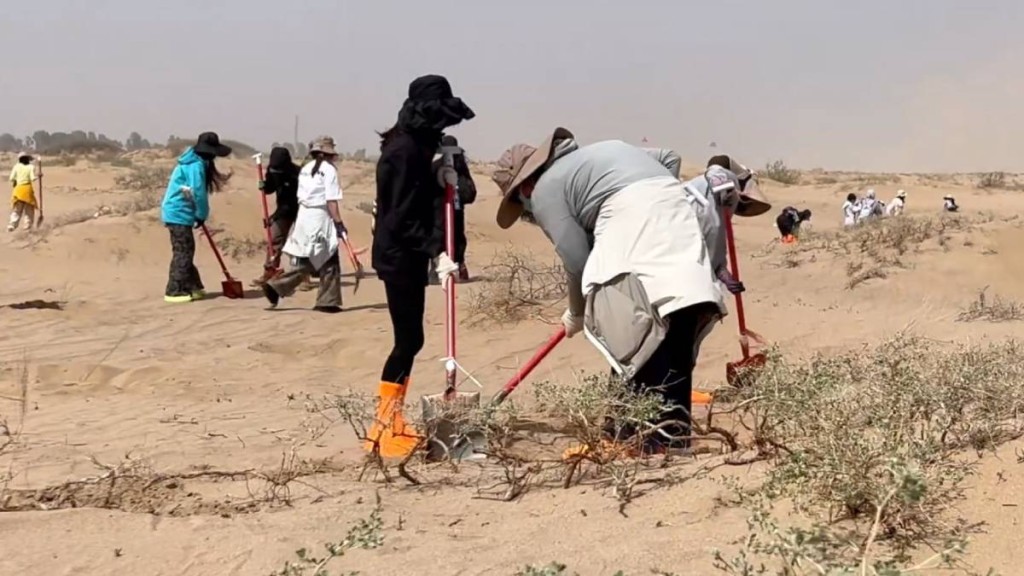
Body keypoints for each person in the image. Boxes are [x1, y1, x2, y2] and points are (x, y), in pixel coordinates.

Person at [492, 129, 770, 454]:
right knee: (679, 320)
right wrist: (655, 203)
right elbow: (669, 158)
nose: (526, 208)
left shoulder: (544, 190)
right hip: (680, 224)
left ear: (525, 185)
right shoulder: (608, 150)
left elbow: (575, 258)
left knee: (632, 337)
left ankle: (636, 442)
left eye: (519, 200)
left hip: (634, 239)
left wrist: (577, 312)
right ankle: (670, 441)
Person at [368, 74, 475, 458]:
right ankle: (383, 426)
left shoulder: (416, 147)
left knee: (412, 339)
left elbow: (414, 197)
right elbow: (398, 217)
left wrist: (437, 178)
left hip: (407, 252)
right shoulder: (403, 151)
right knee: (408, 340)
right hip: (399, 254)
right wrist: (438, 251)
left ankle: (390, 422)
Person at [262, 136, 346, 313]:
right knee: (329, 259)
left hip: (304, 217)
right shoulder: (329, 170)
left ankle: (278, 286)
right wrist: (339, 222)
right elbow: (331, 200)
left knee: (312, 259)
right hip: (320, 218)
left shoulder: (306, 169)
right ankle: (326, 301)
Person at [160, 132, 232, 303]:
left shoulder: (197, 162)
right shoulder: (195, 166)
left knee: (186, 250)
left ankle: (193, 286)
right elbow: (198, 193)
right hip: (178, 213)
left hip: (180, 213)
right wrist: (201, 215)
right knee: (183, 252)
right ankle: (174, 290)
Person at [681, 156, 763, 294]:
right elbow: (716, 167)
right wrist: (725, 187)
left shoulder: (716, 210)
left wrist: (725, 276)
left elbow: (715, 249)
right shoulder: (709, 185)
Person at [428, 134, 478, 283]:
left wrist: (456, 187)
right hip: (437, 215)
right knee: (438, 240)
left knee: (457, 239)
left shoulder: (460, 168)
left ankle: (458, 265)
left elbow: (470, 194)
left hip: (455, 214)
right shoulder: (435, 168)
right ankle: (437, 268)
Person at [255, 146, 301, 284]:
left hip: (300, 210)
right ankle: (270, 271)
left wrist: (273, 217)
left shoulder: (297, 174)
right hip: (283, 209)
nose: (276, 171)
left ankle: (303, 277)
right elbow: (271, 188)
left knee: (301, 243)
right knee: (274, 240)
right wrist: (265, 186)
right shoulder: (273, 169)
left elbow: (291, 203)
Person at [8, 152, 39, 232]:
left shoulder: (16, 167)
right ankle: (27, 226)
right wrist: (38, 176)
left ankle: (12, 224)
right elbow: (32, 178)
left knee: (17, 210)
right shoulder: (31, 167)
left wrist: (16, 180)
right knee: (29, 210)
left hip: (18, 190)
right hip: (27, 189)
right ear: (28, 159)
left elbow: (11, 178)